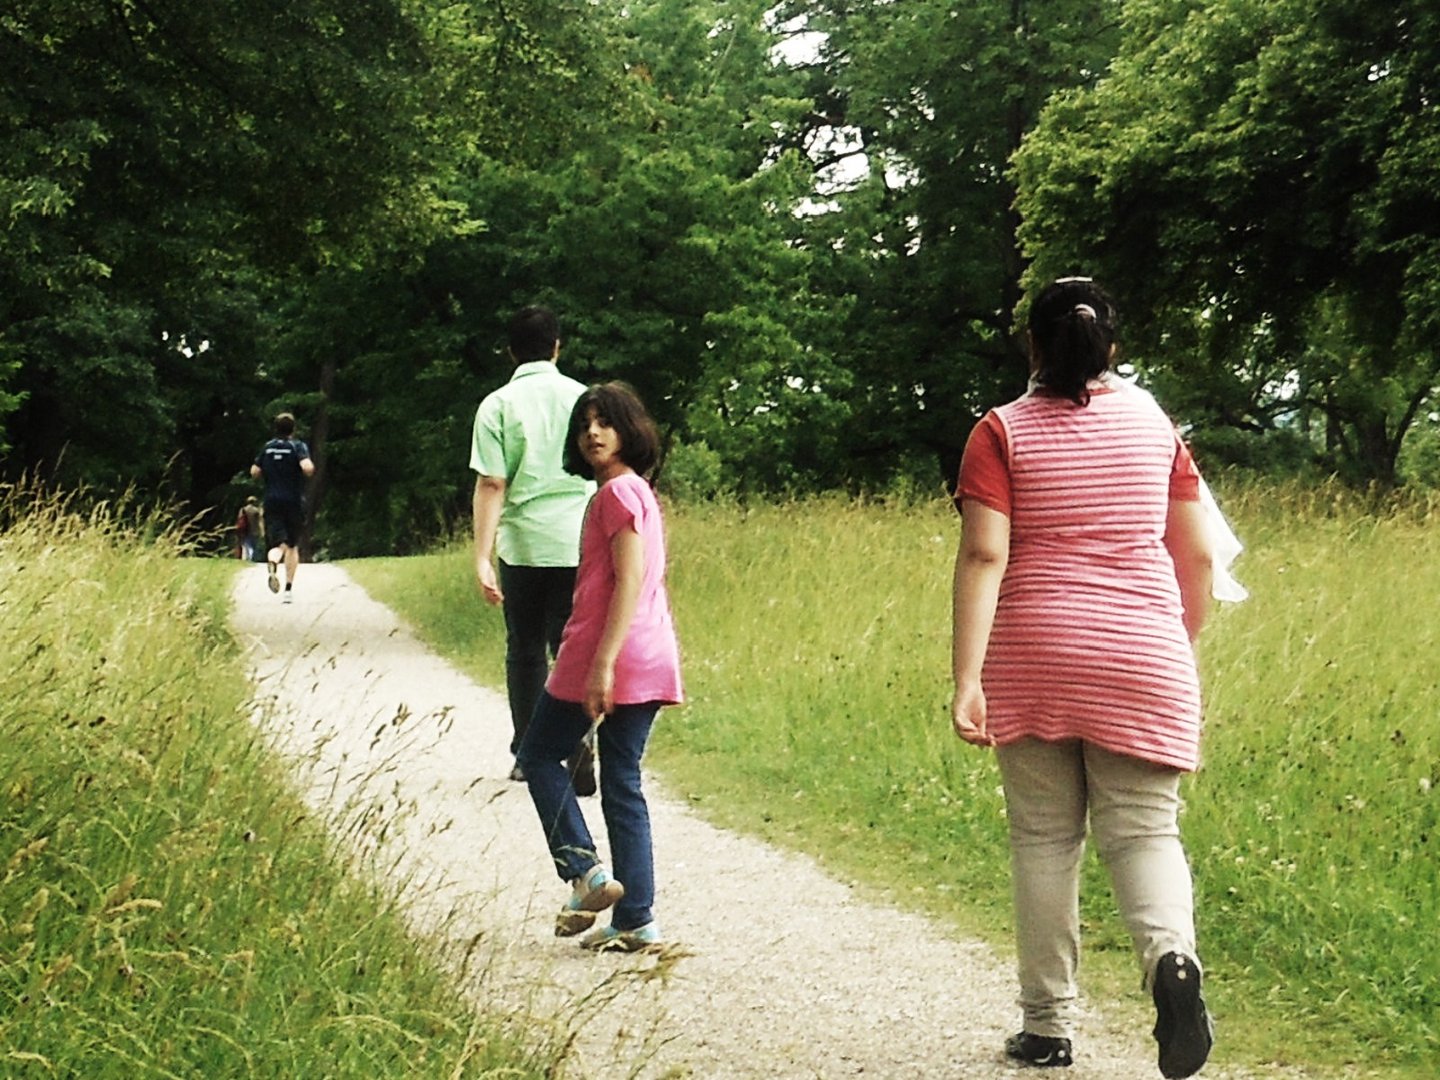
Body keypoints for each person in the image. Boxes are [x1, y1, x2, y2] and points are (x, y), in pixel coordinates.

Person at [951, 277, 1216, 1078]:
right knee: (1144, 832)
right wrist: (1178, 639)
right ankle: (1171, 960)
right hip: (1143, 650)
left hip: (1034, 651)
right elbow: (1197, 552)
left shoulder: (999, 433)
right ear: (1114, 347)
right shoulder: (1157, 426)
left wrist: (967, 675)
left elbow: (984, 555)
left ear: (1032, 345)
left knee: (1043, 840)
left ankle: (1047, 1027)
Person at [516, 382, 682, 953]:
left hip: (605, 651)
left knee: (537, 754)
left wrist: (603, 665)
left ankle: (583, 871)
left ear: (629, 430)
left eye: (605, 422)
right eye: (584, 423)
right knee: (622, 782)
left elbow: (630, 581)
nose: (592, 433)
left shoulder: (615, 495)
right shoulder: (637, 492)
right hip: (651, 652)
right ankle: (635, 917)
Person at [470, 306, 597, 790]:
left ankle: (529, 751)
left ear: (510, 351)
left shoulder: (497, 405)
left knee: (524, 649)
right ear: (558, 346)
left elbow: (492, 482)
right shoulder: (585, 399)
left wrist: (483, 556)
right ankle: (579, 737)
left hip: (523, 545)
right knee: (573, 645)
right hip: (579, 540)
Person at [250, 412, 315, 604]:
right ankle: (288, 589)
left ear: (275, 429)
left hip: (272, 501)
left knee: (277, 543)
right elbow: (308, 468)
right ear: (293, 429)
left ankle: (273, 560)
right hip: (293, 501)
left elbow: (254, 472)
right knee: (292, 546)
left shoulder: (268, 448)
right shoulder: (297, 446)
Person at [237, 496, 264, 562]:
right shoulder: (257, 510)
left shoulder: (243, 509)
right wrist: (262, 531)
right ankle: (252, 558)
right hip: (255, 530)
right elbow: (260, 521)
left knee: (248, 545)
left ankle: (249, 557)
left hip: (245, 530)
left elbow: (239, 519)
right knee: (254, 545)